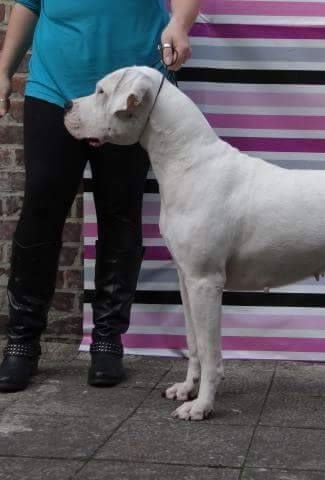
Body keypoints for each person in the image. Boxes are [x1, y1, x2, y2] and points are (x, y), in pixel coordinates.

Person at [0, 0, 200, 392]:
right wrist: (4, 70)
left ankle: (108, 339)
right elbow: (28, 4)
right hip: (54, 88)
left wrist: (180, 23)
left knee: (121, 208)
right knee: (41, 209)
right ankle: (22, 341)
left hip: (131, 94)